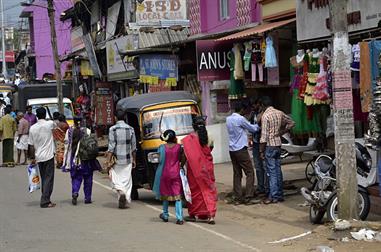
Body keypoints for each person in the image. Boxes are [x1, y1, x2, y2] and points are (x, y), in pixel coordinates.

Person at [182, 116, 217, 224]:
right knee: (208, 190)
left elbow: (186, 155)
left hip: (194, 169)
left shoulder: (188, 139)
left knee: (195, 192)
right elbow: (209, 150)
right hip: (207, 168)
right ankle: (210, 215)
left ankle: (193, 214)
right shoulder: (209, 137)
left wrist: (180, 165)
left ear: (193, 126)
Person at [260, 96, 295, 204]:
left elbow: (264, 136)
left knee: (272, 172)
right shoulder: (279, 113)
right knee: (277, 170)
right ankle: (279, 194)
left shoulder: (265, 116)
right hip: (278, 144)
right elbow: (292, 123)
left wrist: (261, 151)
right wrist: (282, 132)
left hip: (269, 145)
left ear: (263, 106)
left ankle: (274, 195)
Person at [226, 101, 260, 205]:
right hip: (241, 149)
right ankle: (248, 196)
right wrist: (258, 123)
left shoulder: (228, 119)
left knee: (237, 173)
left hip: (232, 149)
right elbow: (253, 129)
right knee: (249, 172)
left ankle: (238, 196)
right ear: (242, 110)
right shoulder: (240, 119)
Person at [62, 117, 101, 205]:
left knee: (76, 177)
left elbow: (67, 146)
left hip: (75, 158)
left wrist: (66, 161)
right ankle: (87, 198)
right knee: (88, 178)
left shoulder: (70, 131)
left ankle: (75, 192)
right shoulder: (87, 130)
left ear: (74, 122)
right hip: (87, 159)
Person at [105, 109, 137, 209]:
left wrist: (108, 160)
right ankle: (124, 198)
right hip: (127, 160)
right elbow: (134, 147)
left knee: (115, 178)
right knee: (126, 180)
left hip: (116, 160)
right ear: (125, 118)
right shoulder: (130, 129)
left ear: (115, 118)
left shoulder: (112, 129)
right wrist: (134, 159)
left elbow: (111, 147)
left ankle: (120, 192)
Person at [153, 130, 184, 225]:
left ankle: (165, 215)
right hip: (175, 173)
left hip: (164, 173)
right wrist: (181, 165)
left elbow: (157, 160)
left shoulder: (161, 147)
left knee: (165, 194)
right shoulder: (179, 147)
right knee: (177, 196)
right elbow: (182, 158)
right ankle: (179, 218)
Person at [28, 107, 56, 208]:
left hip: (38, 156)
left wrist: (32, 158)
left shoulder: (32, 128)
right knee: (49, 178)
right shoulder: (49, 124)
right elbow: (55, 123)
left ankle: (46, 198)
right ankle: (45, 201)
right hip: (48, 156)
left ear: (36, 115)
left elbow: (30, 145)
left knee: (44, 178)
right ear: (45, 115)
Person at [249, 98, 268, 197]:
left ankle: (266, 187)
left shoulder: (265, 114)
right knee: (258, 166)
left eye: (254, 105)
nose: (253, 107)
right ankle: (261, 187)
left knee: (265, 166)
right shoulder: (253, 114)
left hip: (263, 142)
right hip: (256, 142)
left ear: (259, 104)